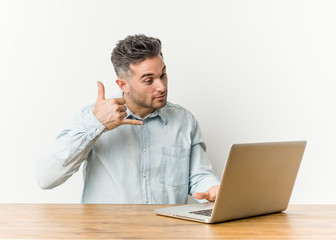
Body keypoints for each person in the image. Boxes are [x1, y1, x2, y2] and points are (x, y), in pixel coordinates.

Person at [37, 34, 220, 204]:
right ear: (123, 85)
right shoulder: (91, 118)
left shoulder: (184, 121)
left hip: (167, 233)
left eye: (163, 75)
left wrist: (213, 189)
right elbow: (46, 178)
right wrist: (96, 124)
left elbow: (199, 176)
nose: (161, 86)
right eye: (149, 80)